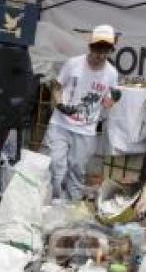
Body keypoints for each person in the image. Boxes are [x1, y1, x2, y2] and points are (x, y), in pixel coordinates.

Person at [43, 24, 119, 199]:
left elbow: (110, 98)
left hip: (86, 129)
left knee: (77, 170)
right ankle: (53, 201)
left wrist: (112, 100)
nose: (100, 55)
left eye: (105, 51)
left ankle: (71, 207)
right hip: (60, 124)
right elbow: (57, 86)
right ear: (90, 47)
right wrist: (59, 104)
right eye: (97, 49)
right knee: (55, 165)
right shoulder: (73, 64)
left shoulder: (111, 73)